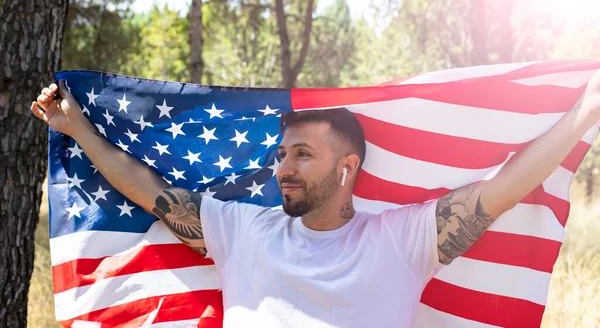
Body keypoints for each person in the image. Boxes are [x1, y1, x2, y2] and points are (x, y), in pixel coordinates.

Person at [31, 72, 600, 327]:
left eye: (302, 154)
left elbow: (504, 188)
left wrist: (587, 110)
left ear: (348, 167)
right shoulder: (243, 231)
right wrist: (77, 127)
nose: (283, 168)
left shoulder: (402, 240)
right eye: (281, 156)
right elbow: (144, 187)